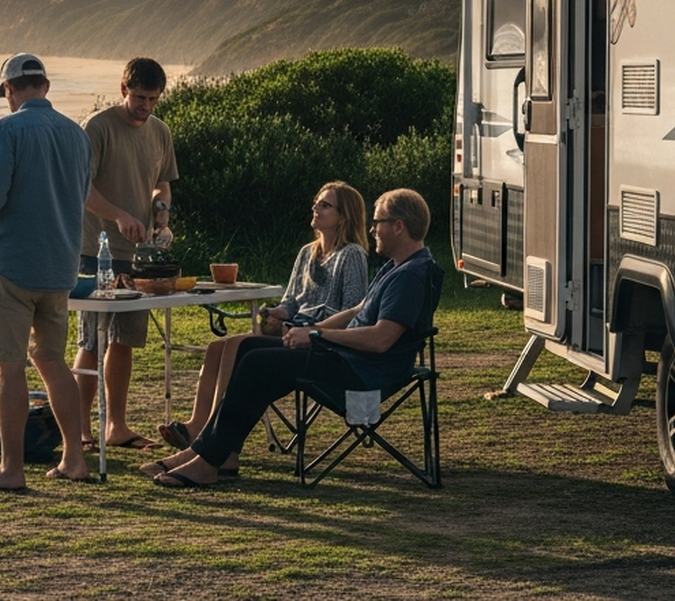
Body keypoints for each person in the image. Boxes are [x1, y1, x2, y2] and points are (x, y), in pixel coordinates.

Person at [142, 188, 440, 487]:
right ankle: (213, 452)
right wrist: (310, 331)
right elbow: (357, 309)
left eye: (379, 222)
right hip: (348, 358)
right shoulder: (396, 267)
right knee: (247, 346)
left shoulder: (410, 276)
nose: (373, 228)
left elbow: (380, 340)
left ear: (399, 226)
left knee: (259, 362)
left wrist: (316, 334)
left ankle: (208, 461)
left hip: (365, 371)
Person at [0, 52, 95, 490]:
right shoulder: (76, 134)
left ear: (10, 90)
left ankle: (11, 469)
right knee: (53, 363)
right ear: (45, 86)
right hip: (60, 267)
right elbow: (81, 194)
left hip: (12, 264)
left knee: (8, 367)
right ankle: (74, 458)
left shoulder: (7, 129)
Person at [156, 181, 369, 450]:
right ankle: (197, 425)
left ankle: (211, 433)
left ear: (344, 216)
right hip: (292, 331)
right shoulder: (307, 252)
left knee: (237, 346)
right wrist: (277, 313)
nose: (315, 207)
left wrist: (306, 327)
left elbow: (352, 312)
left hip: (318, 341)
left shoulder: (351, 255)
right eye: (316, 202)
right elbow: (292, 300)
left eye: (325, 205)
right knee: (215, 348)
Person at [72, 57, 178, 451]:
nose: (145, 106)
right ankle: (81, 429)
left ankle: (116, 426)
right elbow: (82, 190)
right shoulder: (97, 128)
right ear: (123, 89)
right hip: (94, 251)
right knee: (92, 339)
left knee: (126, 340)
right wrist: (118, 216)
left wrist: (160, 214)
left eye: (152, 99)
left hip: (139, 256)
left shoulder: (160, 132)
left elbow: (161, 186)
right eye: (139, 97)